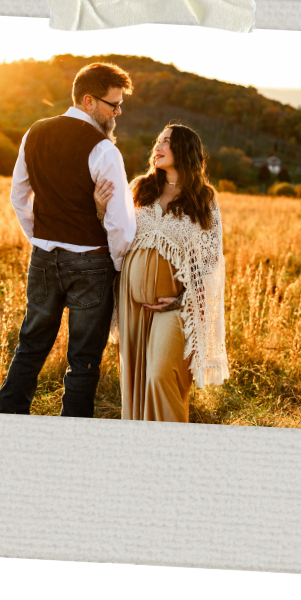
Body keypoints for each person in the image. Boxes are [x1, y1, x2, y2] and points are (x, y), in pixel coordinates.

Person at [0, 62, 137, 417]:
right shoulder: (104, 150)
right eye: (112, 104)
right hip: (91, 265)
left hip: (43, 258)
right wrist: (120, 267)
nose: (117, 112)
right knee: (84, 358)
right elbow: (121, 222)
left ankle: (8, 417)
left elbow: (18, 196)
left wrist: (40, 237)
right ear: (89, 101)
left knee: (30, 345)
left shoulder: (35, 132)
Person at [95, 124, 228, 422]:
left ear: (185, 150)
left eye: (166, 142)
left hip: (176, 307)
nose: (158, 146)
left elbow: (209, 262)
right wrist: (100, 208)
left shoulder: (202, 198)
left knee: (158, 376)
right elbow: (115, 232)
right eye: (158, 141)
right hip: (132, 307)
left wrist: (183, 300)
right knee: (135, 381)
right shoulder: (140, 187)